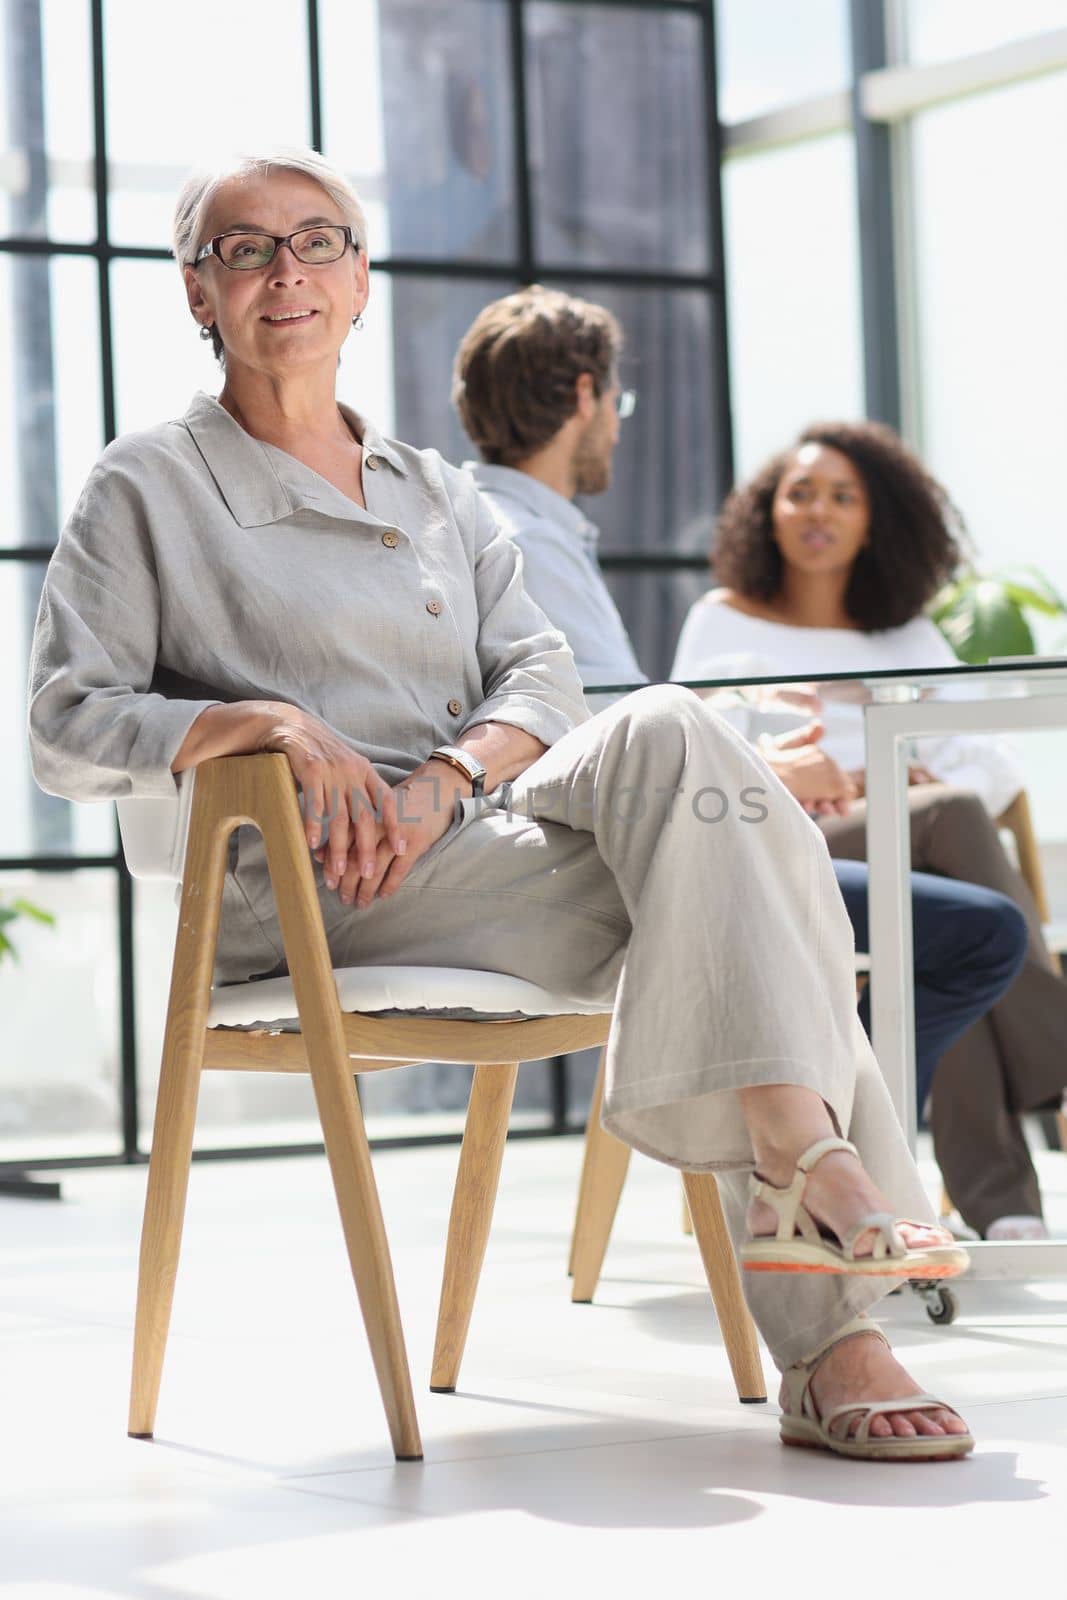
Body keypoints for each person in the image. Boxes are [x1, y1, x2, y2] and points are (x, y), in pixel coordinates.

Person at [30, 152, 972, 1463]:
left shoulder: (430, 487)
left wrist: (451, 775)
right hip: (312, 895)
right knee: (762, 868)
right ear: (199, 289)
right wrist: (267, 724)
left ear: (361, 280)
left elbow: (536, 672)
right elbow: (66, 726)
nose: (285, 270)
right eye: (244, 250)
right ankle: (828, 1295)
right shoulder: (147, 489)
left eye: (317, 241)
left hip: (477, 851)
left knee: (674, 730)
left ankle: (803, 1185)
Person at [454, 284, 1028, 1191]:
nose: (615, 423)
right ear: (580, 398)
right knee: (976, 932)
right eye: (615, 401)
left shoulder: (501, 526)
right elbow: (604, 744)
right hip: (644, 855)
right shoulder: (522, 541)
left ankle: (870, 1180)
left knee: (961, 901)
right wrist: (769, 772)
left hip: (659, 831)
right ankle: (843, 1179)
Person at [672, 421, 1067, 1241]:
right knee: (949, 827)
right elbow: (694, 752)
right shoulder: (723, 622)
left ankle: (1005, 1213)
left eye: (842, 497)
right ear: (767, 512)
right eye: (799, 492)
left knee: (945, 918)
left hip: (903, 847)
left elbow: (987, 760)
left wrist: (922, 783)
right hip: (787, 843)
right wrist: (841, 783)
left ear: (874, 518)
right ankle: (1055, 1063)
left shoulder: (907, 636)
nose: (818, 510)